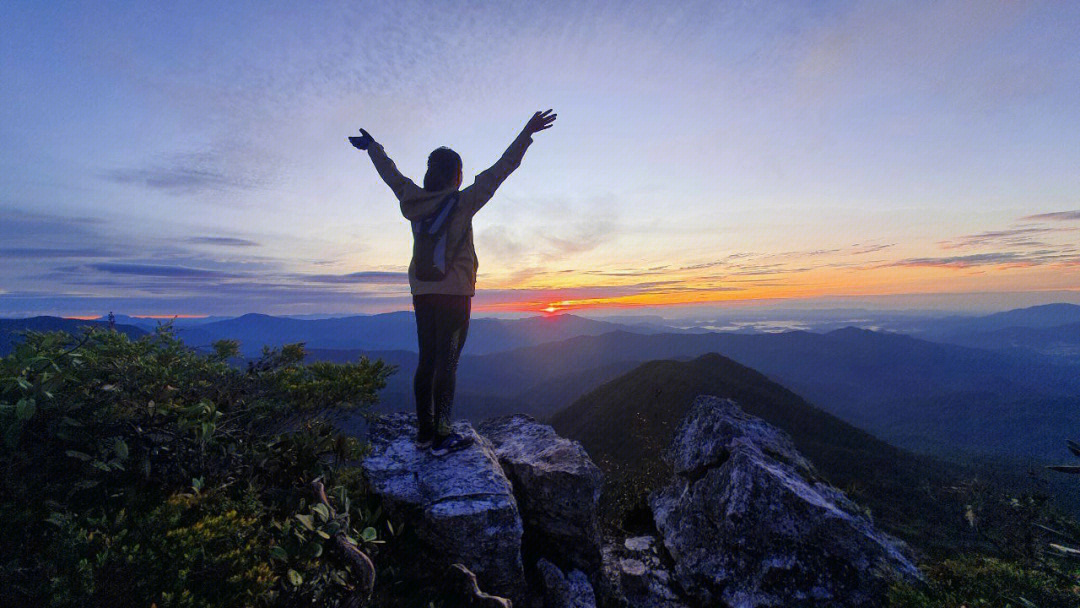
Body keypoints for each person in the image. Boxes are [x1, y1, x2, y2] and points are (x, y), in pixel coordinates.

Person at [353, 110, 557, 456]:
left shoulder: (412, 199)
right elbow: (502, 169)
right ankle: (443, 435)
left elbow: (392, 175)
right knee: (448, 363)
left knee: (426, 360)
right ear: (456, 176)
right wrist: (527, 132)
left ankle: (424, 431)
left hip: (423, 292)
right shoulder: (462, 202)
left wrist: (373, 147)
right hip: (455, 294)